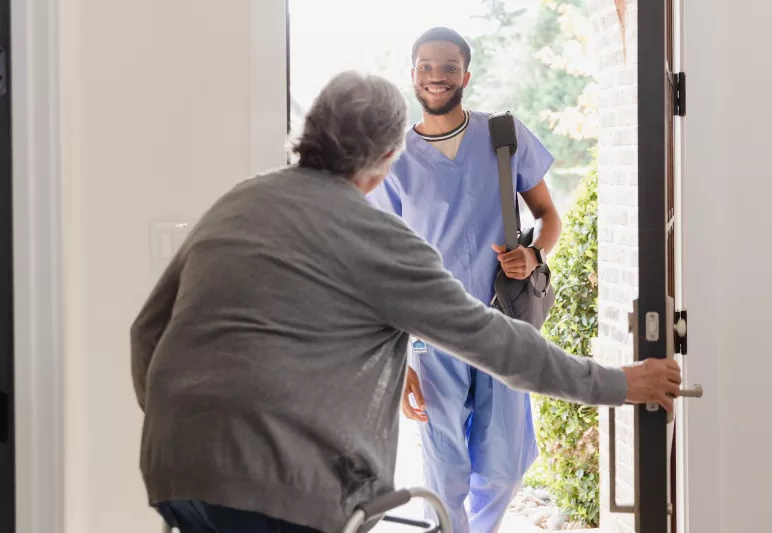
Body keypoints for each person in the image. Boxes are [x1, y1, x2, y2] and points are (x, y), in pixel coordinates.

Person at [131, 70, 681, 533]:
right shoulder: (373, 237)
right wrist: (619, 383)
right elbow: (495, 341)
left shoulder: (241, 199)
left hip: (175, 467)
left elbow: (147, 331)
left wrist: (186, 425)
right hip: (280, 483)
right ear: (391, 155)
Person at [366, 27, 564, 533]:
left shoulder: (504, 136)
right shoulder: (392, 158)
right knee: (444, 465)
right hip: (430, 333)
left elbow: (547, 215)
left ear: (466, 76)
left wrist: (534, 253)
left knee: (503, 465)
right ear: (412, 75)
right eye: (426, 67)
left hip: (502, 324)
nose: (437, 77)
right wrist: (393, 355)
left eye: (449, 67)